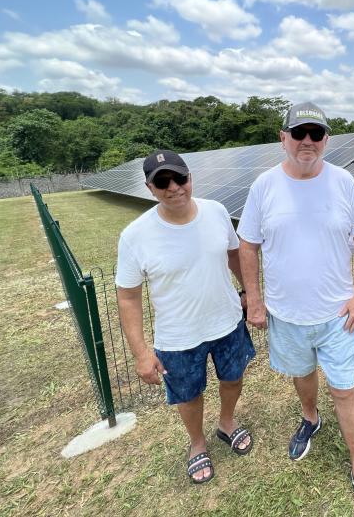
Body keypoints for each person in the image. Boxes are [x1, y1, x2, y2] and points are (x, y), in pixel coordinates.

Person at [237, 102, 354, 517]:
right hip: (286, 314)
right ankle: (310, 418)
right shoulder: (264, 186)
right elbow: (248, 244)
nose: (307, 141)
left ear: (326, 140)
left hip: (338, 315)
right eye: (298, 133)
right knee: (301, 376)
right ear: (282, 138)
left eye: (315, 134)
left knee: (344, 389)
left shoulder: (343, 182)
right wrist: (256, 298)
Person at [116, 149, 255, 485]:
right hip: (178, 335)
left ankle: (226, 422)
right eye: (162, 182)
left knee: (233, 378)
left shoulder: (217, 212)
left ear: (190, 177)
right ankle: (197, 443)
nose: (174, 187)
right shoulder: (135, 235)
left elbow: (234, 252)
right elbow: (128, 296)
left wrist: (249, 291)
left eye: (180, 178)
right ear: (150, 188)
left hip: (227, 321)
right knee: (189, 394)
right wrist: (140, 353)